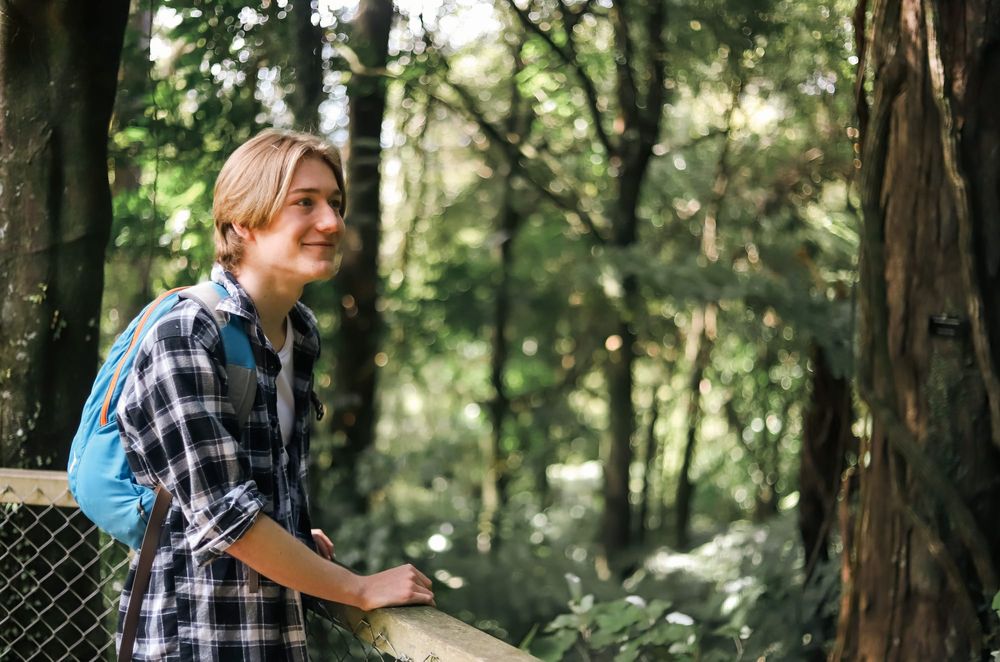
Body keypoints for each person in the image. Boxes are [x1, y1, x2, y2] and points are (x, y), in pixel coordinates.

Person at [116, 128, 433, 660]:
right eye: (303, 203)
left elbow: (256, 479)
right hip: (196, 639)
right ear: (244, 219)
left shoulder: (299, 332)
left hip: (273, 634)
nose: (331, 222)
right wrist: (356, 587)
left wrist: (290, 529)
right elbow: (226, 518)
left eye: (334, 202)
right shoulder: (186, 334)